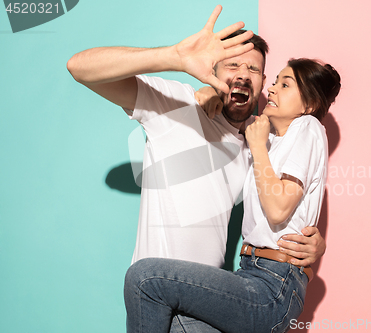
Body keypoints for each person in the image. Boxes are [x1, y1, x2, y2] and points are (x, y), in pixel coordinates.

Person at [67, 5, 326, 332]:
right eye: (232, 64)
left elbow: (284, 203)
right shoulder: (175, 105)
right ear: (212, 69)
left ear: (262, 84)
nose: (243, 74)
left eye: (254, 69)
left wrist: (313, 247)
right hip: (153, 296)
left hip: (205, 307)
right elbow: (79, 67)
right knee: (145, 280)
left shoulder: (258, 146)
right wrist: (175, 56)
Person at [124, 58, 341, 332]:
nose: (272, 90)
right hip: (252, 274)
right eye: (274, 82)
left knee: (144, 278)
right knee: (178, 324)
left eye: (285, 85)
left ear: (308, 106)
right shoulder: (271, 142)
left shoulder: (307, 127)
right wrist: (209, 92)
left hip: (272, 285)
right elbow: (230, 118)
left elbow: (277, 209)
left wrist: (258, 147)